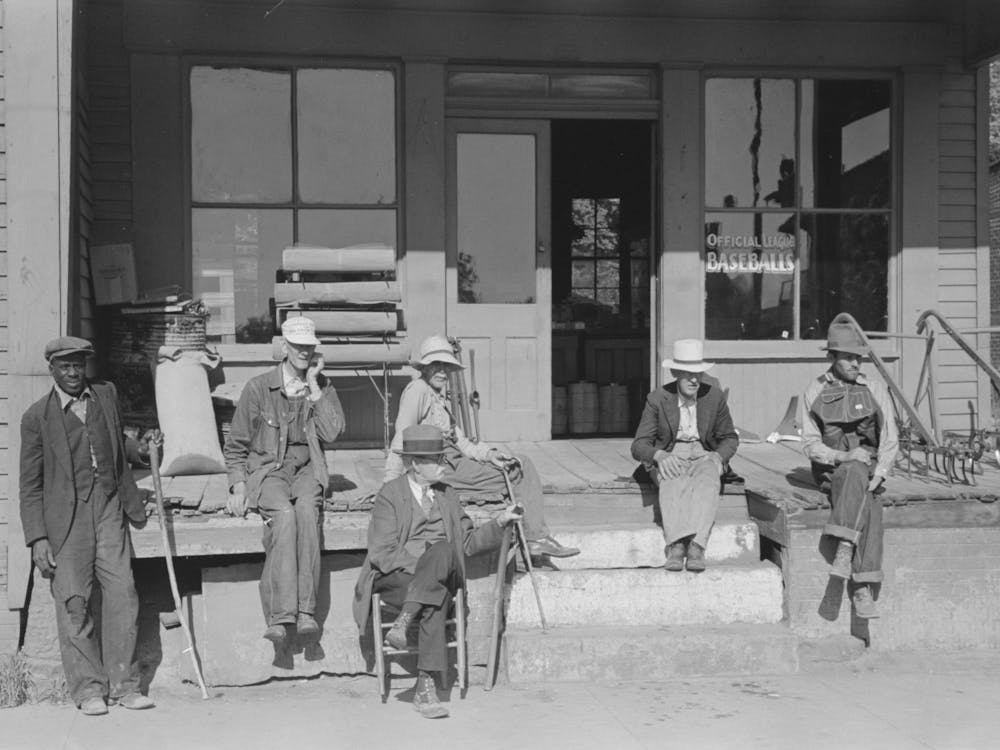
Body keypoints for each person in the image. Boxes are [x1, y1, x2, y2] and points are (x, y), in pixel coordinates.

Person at [19, 336, 157, 716]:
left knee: (122, 594)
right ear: (52, 370)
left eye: (79, 365)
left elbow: (115, 441)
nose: (73, 373)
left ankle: (125, 685)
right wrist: (37, 538)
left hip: (110, 507)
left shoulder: (105, 396)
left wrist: (140, 449)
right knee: (75, 602)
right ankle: (89, 690)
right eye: (65, 366)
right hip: (66, 520)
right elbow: (29, 486)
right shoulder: (36, 418)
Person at [354, 424, 523, 719]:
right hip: (397, 576)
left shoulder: (448, 495)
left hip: (434, 576)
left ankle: (407, 623)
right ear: (415, 464)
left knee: (444, 552)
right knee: (436, 590)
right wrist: (422, 569)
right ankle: (425, 685)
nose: (444, 464)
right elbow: (382, 552)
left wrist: (498, 522)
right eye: (436, 459)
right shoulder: (390, 494)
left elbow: (468, 543)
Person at [384, 334, 578, 559]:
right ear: (424, 368)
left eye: (446, 367)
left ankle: (531, 537)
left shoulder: (437, 396)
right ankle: (535, 538)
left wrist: (490, 455)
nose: (442, 372)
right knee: (520, 470)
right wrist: (390, 486)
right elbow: (401, 437)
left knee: (516, 462)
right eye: (436, 366)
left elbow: (461, 442)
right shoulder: (417, 390)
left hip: (456, 462)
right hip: (439, 467)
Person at [224, 316, 346, 644]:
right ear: (285, 347)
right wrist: (237, 485)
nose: (304, 352)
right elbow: (236, 444)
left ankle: (306, 612)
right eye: (298, 346)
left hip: (308, 469)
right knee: (285, 516)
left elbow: (333, 432)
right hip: (269, 470)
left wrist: (316, 387)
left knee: (307, 511)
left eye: (309, 346)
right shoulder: (259, 387)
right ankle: (280, 617)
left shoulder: (321, 386)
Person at [799, 319, 899, 619]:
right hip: (831, 469)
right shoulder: (814, 390)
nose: (856, 363)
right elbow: (809, 443)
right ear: (832, 358)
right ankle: (861, 588)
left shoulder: (875, 388)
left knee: (870, 495)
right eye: (848, 357)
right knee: (858, 475)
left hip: (869, 472)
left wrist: (880, 473)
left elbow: (890, 437)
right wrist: (843, 458)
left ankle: (845, 549)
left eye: (859, 357)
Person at [631, 339, 739, 572]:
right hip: (671, 452)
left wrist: (718, 457)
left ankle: (697, 547)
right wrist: (659, 456)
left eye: (698, 374)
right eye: (688, 374)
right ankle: (677, 545)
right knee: (672, 481)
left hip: (704, 452)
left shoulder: (714, 397)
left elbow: (730, 437)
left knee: (708, 481)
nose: (694, 380)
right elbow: (639, 445)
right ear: (676, 373)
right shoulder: (658, 399)